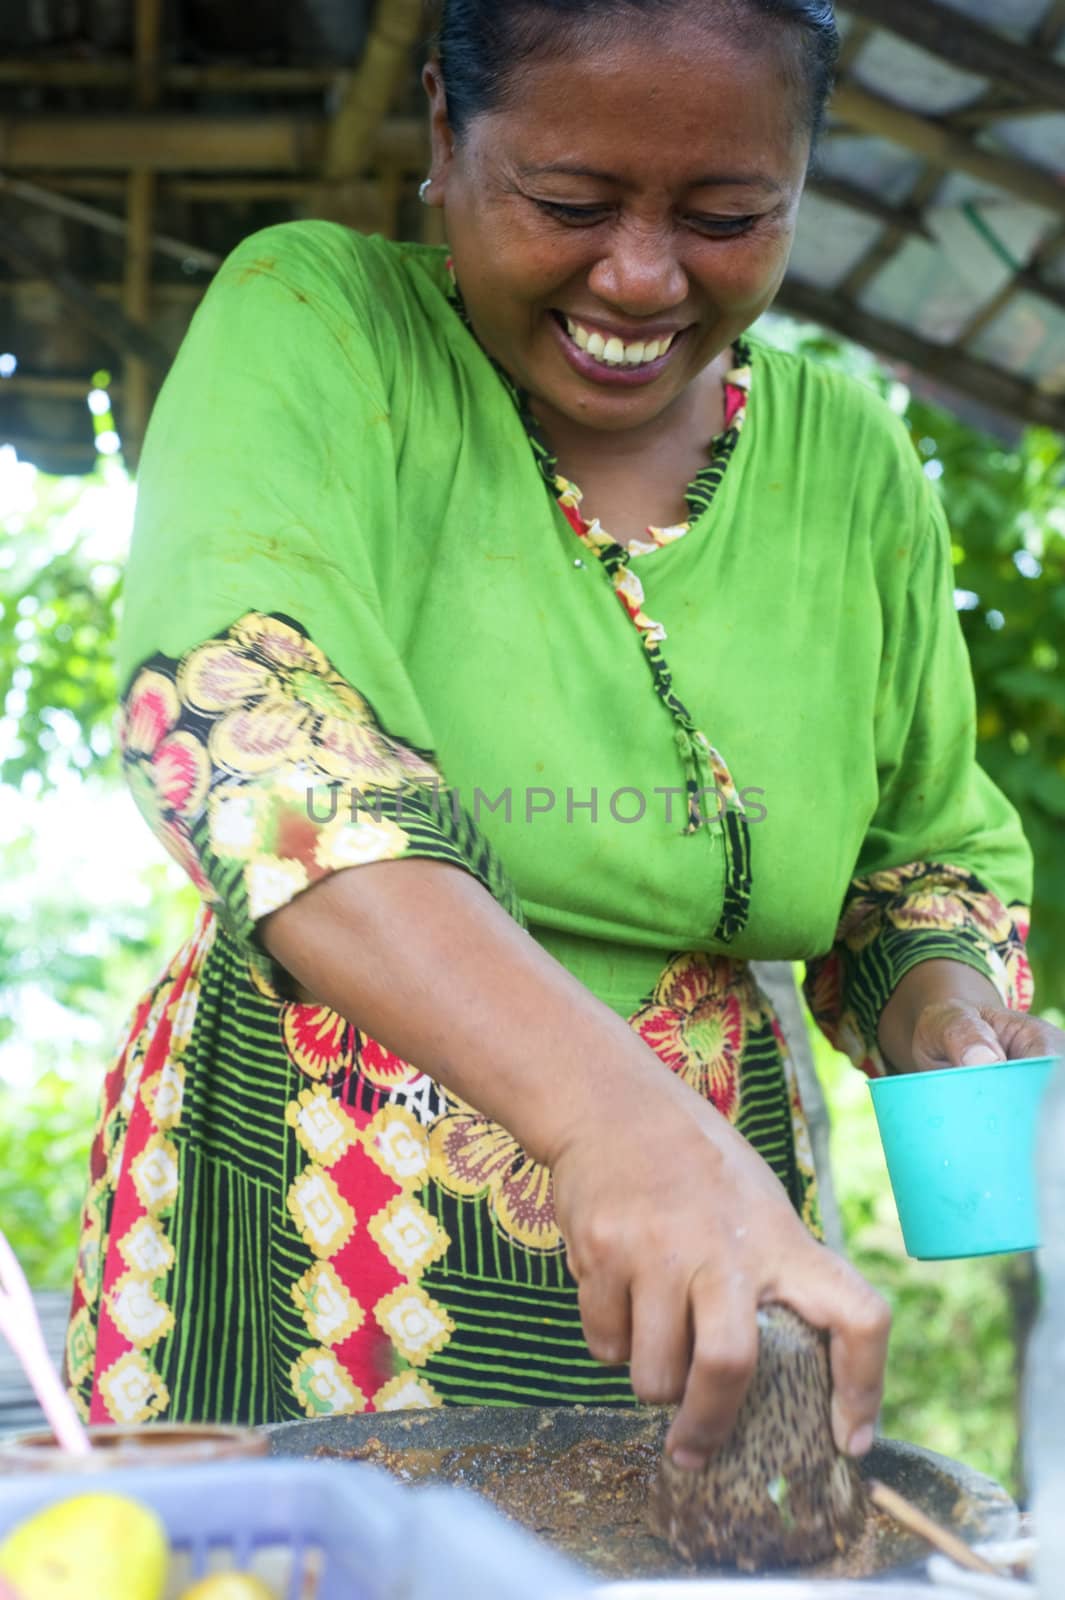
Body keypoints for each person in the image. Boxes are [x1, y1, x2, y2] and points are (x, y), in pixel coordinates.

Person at [66, 0, 1058, 1474]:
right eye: (571, 204)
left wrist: (939, 1005)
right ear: (445, 135)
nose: (641, 276)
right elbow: (247, 727)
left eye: (726, 214)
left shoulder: (849, 461)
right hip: (305, 1219)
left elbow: (917, 862)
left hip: (723, 1233)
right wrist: (615, 1125)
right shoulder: (320, 325)